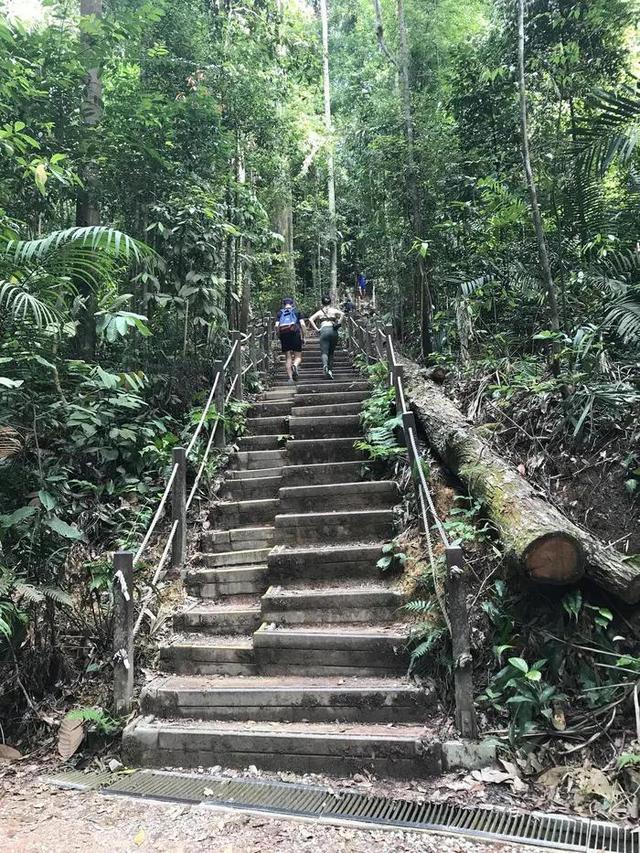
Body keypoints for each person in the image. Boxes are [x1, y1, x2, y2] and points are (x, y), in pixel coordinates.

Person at [308, 294, 344, 379]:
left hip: (324, 330)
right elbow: (342, 313)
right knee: (331, 352)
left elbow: (310, 319)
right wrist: (338, 323)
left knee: (324, 351)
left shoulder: (320, 312)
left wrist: (317, 329)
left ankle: (325, 365)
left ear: (322, 302)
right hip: (333, 331)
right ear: (330, 302)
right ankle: (330, 371)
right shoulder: (333, 310)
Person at [275, 296, 305, 383]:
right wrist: (304, 336)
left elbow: (276, 326)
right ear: (292, 304)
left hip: (284, 335)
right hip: (295, 334)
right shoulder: (297, 311)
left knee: (288, 357)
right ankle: (295, 365)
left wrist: (278, 334)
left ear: (283, 304)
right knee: (298, 356)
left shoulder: (280, 313)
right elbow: (302, 325)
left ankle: (290, 378)